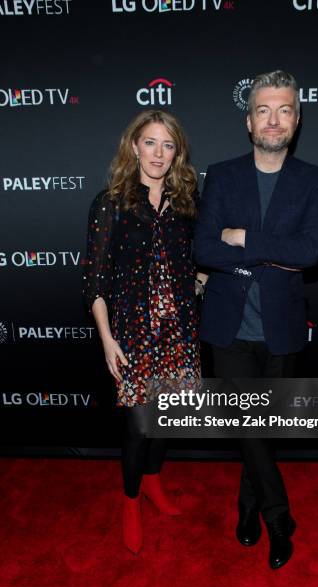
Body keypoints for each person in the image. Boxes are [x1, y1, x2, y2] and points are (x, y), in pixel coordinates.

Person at [194, 70, 318, 569]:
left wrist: (244, 238)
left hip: (282, 328)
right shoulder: (222, 174)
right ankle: (278, 517)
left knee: (262, 427)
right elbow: (204, 246)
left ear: (296, 120)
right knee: (248, 426)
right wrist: (268, 253)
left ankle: (248, 505)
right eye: (263, 110)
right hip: (229, 327)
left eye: (285, 110)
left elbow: (310, 252)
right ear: (248, 121)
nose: (273, 120)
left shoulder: (315, 180)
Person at [83, 109, 204, 554]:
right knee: (139, 424)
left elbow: (192, 265)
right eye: (150, 142)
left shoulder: (188, 203)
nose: (158, 153)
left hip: (179, 329)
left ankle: (153, 482)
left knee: (165, 419)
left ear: (177, 153)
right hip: (132, 332)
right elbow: (95, 282)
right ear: (134, 147)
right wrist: (107, 339)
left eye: (167, 145)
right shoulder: (110, 202)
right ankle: (130, 502)